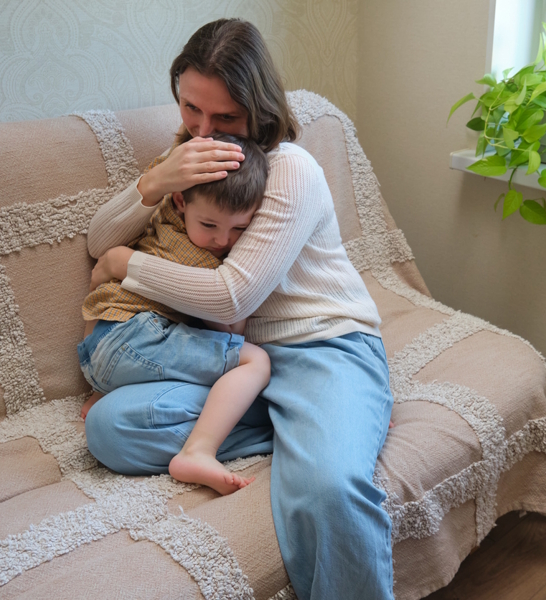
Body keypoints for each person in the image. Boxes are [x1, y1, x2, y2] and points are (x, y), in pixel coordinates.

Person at [84, 17, 395, 600]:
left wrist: (128, 265)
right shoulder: (185, 160)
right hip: (235, 362)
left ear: (259, 109)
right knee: (109, 428)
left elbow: (234, 296)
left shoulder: (289, 169)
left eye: (224, 118)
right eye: (189, 110)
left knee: (329, 488)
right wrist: (154, 182)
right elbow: (97, 239)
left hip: (320, 345)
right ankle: (307, 426)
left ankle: (335, 422)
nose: (204, 131)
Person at [78, 131, 271, 495]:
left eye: (240, 228)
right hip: (134, 338)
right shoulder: (198, 258)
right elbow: (231, 326)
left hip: (99, 343)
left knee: (194, 353)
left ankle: (109, 388)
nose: (222, 241)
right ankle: (199, 452)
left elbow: (103, 292)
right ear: (181, 202)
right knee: (253, 362)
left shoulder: (161, 220)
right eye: (210, 225)